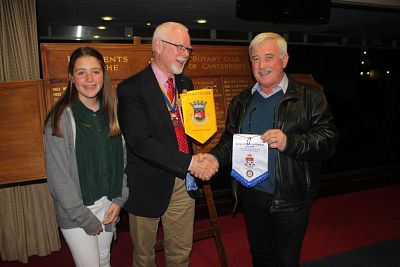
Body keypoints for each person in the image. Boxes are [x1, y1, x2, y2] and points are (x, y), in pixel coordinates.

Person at [208, 32, 340, 267]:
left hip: (291, 198)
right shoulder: (241, 101)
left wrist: (289, 141)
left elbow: (328, 141)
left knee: (285, 261)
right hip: (251, 195)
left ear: (284, 60)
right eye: (255, 59)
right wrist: (213, 158)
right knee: (261, 258)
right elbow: (230, 140)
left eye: (268, 57)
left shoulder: (310, 97)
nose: (261, 65)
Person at [117, 22, 218, 267]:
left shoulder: (186, 85)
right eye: (180, 47)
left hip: (184, 182)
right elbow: (140, 143)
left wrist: (200, 141)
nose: (185, 54)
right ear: (158, 46)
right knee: (144, 257)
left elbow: (190, 131)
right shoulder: (131, 89)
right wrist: (192, 162)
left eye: (188, 49)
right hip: (147, 184)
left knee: (180, 253)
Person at [44, 47, 128, 267]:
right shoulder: (61, 118)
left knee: (104, 260)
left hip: (108, 204)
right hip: (77, 211)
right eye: (81, 72)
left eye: (96, 71)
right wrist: (84, 218)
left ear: (104, 75)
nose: (89, 79)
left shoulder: (113, 113)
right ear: (72, 77)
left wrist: (119, 200)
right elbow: (58, 178)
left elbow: (124, 161)